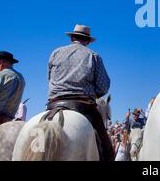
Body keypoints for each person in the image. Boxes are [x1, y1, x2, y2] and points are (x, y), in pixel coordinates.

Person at [47, 24, 114, 161]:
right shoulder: (93, 56)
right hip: (83, 106)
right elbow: (103, 87)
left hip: (54, 105)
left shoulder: (56, 52)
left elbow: (50, 78)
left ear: (72, 37)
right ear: (88, 41)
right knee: (107, 149)